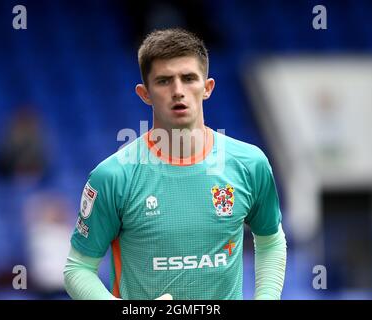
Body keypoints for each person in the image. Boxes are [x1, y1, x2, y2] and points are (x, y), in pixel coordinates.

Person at [63, 28, 287, 300]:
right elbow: (78, 268)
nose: (178, 91)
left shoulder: (250, 164)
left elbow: (270, 240)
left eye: (189, 78)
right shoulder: (113, 176)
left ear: (207, 88)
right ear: (145, 93)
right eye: (164, 81)